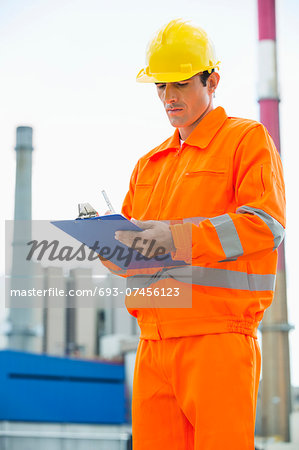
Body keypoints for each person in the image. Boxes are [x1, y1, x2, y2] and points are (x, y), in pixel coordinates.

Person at [103, 19, 286, 450]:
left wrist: (175, 239)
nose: (168, 97)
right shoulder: (149, 165)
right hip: (151, 344)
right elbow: (129, 254)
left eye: (181, 84)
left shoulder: (245, 140)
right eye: (160, 86)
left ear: (212, 80)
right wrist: (106, 241)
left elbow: (265, 224)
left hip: (217, 339)